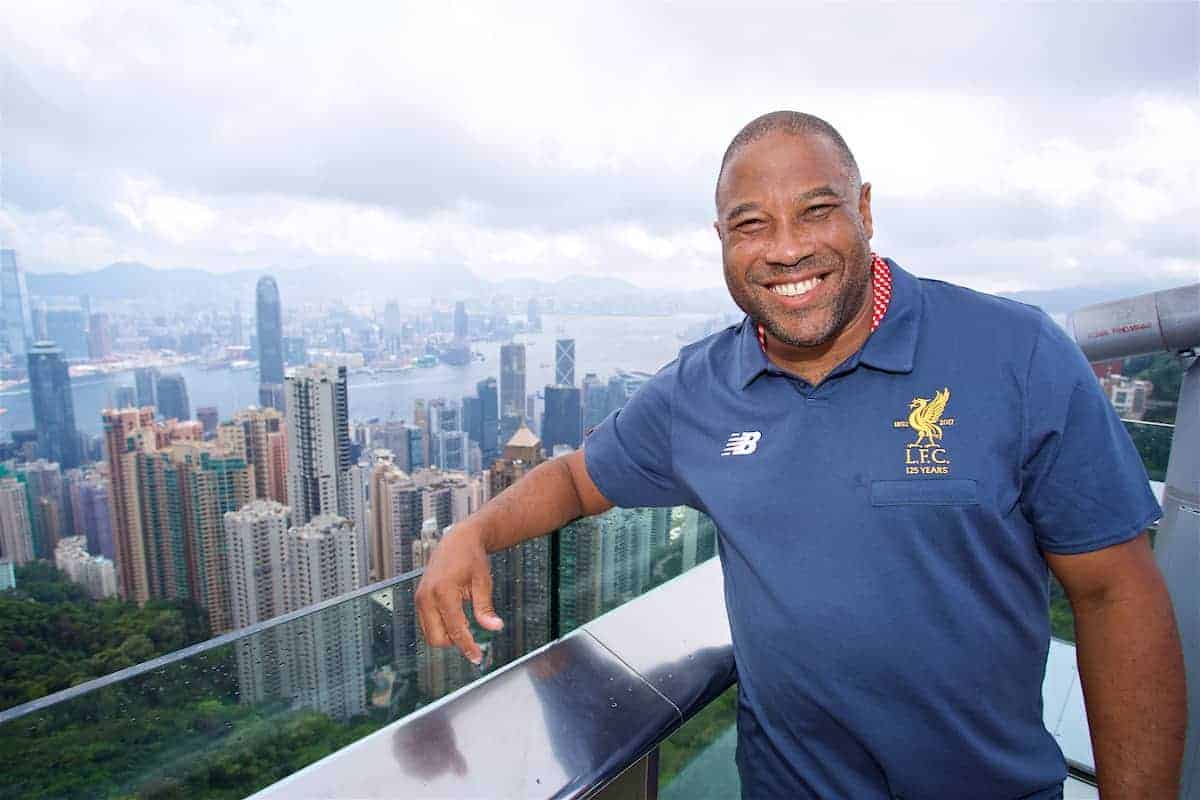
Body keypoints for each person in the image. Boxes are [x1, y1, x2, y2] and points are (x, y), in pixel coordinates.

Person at [415, 111, 1186, 798]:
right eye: (752, 224)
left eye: (816, 211)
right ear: (723, 240)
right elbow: (578, 479)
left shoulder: (1016, 354)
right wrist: (470, 534)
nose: (787, 250)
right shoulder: (697, 389)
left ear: (867, 212)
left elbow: (1115, 595)